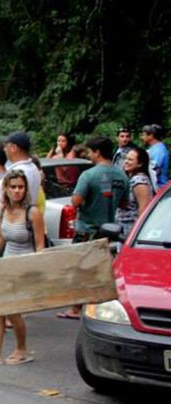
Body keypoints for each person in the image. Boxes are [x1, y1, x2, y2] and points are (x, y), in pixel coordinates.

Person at [0, 169, 43, 366]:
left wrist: (37, 269)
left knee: (12, 310)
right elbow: (0, 238)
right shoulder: (4, 210)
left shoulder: (32, 212)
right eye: (13, 187)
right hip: (6, 265)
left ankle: (21, 349)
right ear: (6, 188)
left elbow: (40, 245)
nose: (17, 191)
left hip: (24, 267)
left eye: (21, 187)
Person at [58, 136, 129, 319]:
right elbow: (124, 204)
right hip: (108, 231)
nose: (89, 155)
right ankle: (99, 309)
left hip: (87, 230)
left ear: (97, 152)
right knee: (102, 272)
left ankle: (75, 309)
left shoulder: (88, 175)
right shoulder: (122, 176)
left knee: (79, 270)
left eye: (90, 151)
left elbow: (75, 201)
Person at [117, 146, 154, 236]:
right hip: (122, 229)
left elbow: (144, 209)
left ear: (140, 164)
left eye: (130, 160)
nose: (126, 161)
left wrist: (138, 233)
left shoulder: (140, 181)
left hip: (131, 231)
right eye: (126, 158)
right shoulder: (130, 179)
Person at [141, 124, 168, 188]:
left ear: (151, 135)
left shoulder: (159, 150)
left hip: (159, 188)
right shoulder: (153, 148)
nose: (142, 137)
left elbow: (154, 171)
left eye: (143, 135)